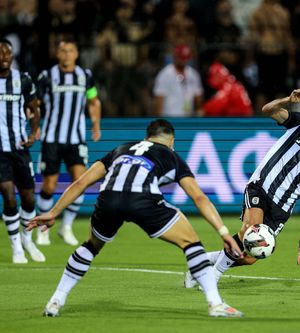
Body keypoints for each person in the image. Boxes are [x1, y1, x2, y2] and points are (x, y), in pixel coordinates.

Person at [27, 119, 244, 318]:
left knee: (90, 246)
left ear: (146, 136)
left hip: (108, 200)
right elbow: (198, 196)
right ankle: (215, 304)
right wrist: (223, 232)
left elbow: (80, 183)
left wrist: (53, 212)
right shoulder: (171, 155)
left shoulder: (120, 150)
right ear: (171, 140)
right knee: (190, 242)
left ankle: (56, 300)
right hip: (143, 200)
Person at [184, 89, 300, 288]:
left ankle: (200, 264)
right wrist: (288, 100)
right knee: (252, 233)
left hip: (282, 208)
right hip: (262, 186)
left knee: (251, 256)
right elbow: (267, 110)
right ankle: (211, 280)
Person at [36, 38, 102, 246]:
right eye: (63, 51)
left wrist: (96, 125)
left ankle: (66, 227)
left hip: (76, 138)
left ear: (77, 53)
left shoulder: (85, 76)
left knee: (81, 182)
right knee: (49, 184)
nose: (66, 54)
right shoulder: (47, 76)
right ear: (57, 54)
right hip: (52, 138)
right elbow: (35, 103)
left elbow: (93, 100)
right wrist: (34, 127)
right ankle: (43, 229)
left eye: (70, 50)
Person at [0, 38, 45, 264]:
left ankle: (28, 239)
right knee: (8, 196)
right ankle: (16, 246)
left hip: (19, 148)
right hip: (0, 152)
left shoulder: (23, 79)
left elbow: (34, 108)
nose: (4, 58)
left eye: (8, 54)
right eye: (0, 54)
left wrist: (34, 132)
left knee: (28, 198)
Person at [153, 44, 203, 117]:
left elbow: (198, 97)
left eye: (185, 58)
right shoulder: (165, 74)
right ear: (175, 57)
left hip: (188, 118)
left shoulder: (193, 74)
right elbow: (159, 99)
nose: (183, 60)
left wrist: (199, 112)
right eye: (181, 57)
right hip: (169, 118)